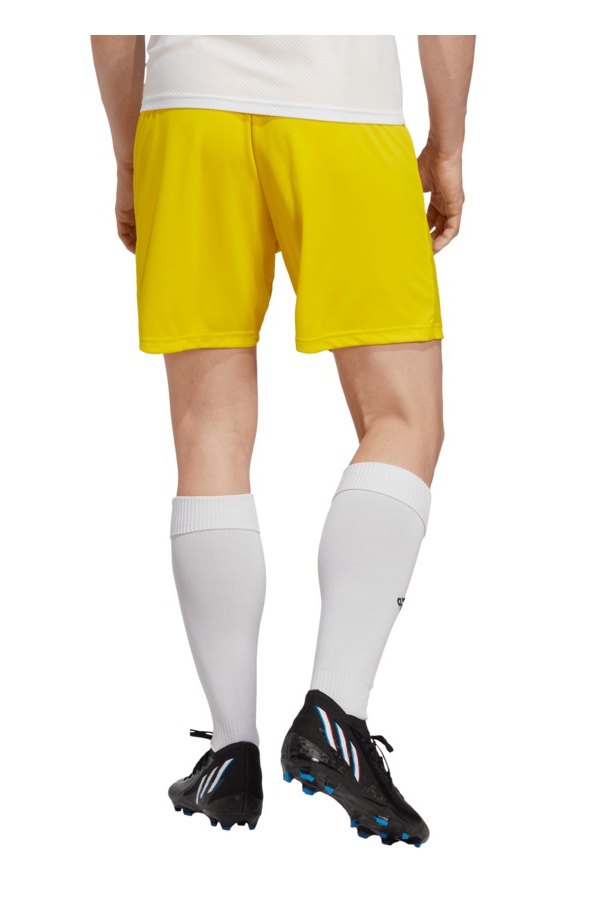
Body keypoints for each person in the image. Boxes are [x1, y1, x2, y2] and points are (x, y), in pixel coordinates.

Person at [91, 34, 475, 845]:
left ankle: (231, 753)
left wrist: (129, 155)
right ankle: (335, 712)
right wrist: (447, 143)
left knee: (208, 431)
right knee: (403, 417)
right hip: (342, 101)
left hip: (187, 111)